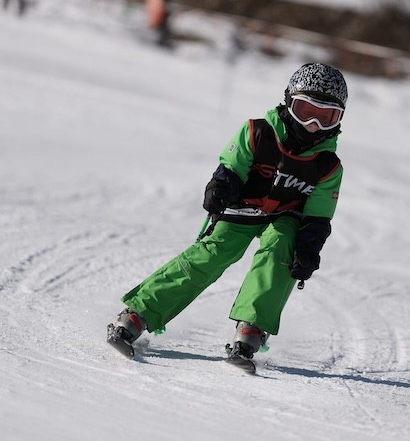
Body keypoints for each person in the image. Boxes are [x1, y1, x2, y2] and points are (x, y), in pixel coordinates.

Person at [108, 63, 348, 364]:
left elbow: (318, 217)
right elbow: (232, 167)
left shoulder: (328, 166)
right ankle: (139, 312)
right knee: (213, 253)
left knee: (282, 247)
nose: (313, 124)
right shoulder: (257, 132)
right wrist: (221, 186)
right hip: (243, 208)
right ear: (289, 102)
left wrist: (309, 249)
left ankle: (252, 327)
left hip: (285, 216)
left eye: (326, 117)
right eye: (305, 111)